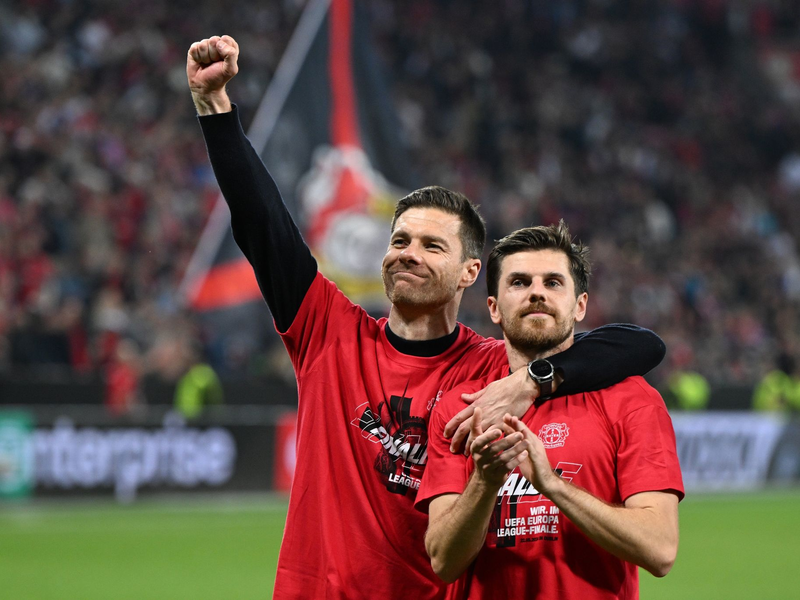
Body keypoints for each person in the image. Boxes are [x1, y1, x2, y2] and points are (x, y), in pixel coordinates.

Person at [187, 36, 667, 600]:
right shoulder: (328, 332)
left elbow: (638, 345)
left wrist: (533, 381)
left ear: (470, 273)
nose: (407, 253)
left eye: (431, 246)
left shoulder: (493, 369)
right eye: (399, 240)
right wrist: (215, 108)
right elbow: (261, 224)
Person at [419, 222, 684, 599]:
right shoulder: (462, 408)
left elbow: (660, 549)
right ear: (493, 308)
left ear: (580, 306)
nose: (536, 293)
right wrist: (485, 481)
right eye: (519, 282)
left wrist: (553, 485)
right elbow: (443, 561)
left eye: (553, 282)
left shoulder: (631, 399)